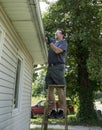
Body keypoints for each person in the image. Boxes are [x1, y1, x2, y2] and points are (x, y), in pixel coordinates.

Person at [45, 28, 68, 118]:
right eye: (55, 33)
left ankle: (61, 111)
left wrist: (50, 42)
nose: (55, 34)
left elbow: (57, 51)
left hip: (58, 67)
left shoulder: (63, 43)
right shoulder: (53, 42)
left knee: (59, 88)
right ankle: (53, 110)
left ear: (62, 34)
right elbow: (47, 40)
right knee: (50, 89)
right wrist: (47, 37)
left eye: (57, 33)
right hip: (50, 67)